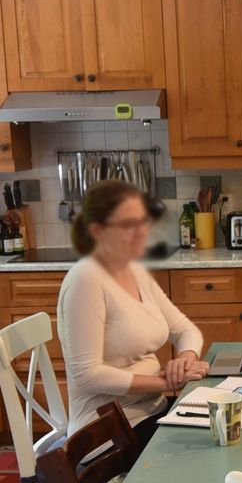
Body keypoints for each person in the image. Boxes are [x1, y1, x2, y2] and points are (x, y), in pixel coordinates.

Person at [58, 180, 209, 444]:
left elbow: (185, 329)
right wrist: (166, 383)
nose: (141, 231)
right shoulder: (86, 279)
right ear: (98, 231)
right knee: (210, 445)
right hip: (108, 430)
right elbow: (87, 374)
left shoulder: (134, 271)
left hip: (153, 411)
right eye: (128, 224)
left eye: (143, 221)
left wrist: (185, 360)